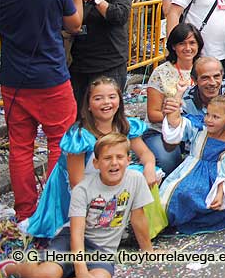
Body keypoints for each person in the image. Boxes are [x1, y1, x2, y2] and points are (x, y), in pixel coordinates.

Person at [0, 0, 84, 221]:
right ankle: (55, 211)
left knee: (20, 148)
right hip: (52, 80)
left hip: (13, 82)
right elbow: (74, 24)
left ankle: (25, 214)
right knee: (59, 143)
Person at [1, 134, 155, 278]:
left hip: (102, 251)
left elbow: (138, 218)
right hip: (71, 240)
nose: (114, 163)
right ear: (96, 163)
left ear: (128, 160)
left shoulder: (135, 179)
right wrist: (81, 270)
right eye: (107, 158)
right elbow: (77, 232)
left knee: (100, 277)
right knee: (46, 274)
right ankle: (11, 268)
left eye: (119, 157)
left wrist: (148, 252)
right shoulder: (83, 189)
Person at [26, 76, 156, 239]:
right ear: (88, 105)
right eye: (98, 98)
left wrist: (149, 167)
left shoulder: (124, 125)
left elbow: (145, 154)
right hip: (78, 189)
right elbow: (76, 183)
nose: (106, 103)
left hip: (105, 176)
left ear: (119, 100)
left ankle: (133, 226)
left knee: (145, 175)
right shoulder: (80, 136)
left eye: (112, 97)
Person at [159, 93, 225, 233]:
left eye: (216, 117)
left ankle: (197, 221)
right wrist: (174, 105)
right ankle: (165, 221)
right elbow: (177, 124)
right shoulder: (200, 129)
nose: (209, 120)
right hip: (191, 170)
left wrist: (220, 190)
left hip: (218, 177)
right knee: (182, 191)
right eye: (208, 114)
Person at [68, 0, 133, 107]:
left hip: (109, 63)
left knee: (107, 111)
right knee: (80, 114)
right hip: (78, 63)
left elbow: (120, 15)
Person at [143, 23, 204, 175]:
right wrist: (177, 118)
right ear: (173, 47)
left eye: (192, 43)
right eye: (182, 43)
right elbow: (153, 114)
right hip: (161, 130)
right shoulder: (161, 72)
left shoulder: (205, 69)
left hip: (198, 130)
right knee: (169, 161)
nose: (188, 48)